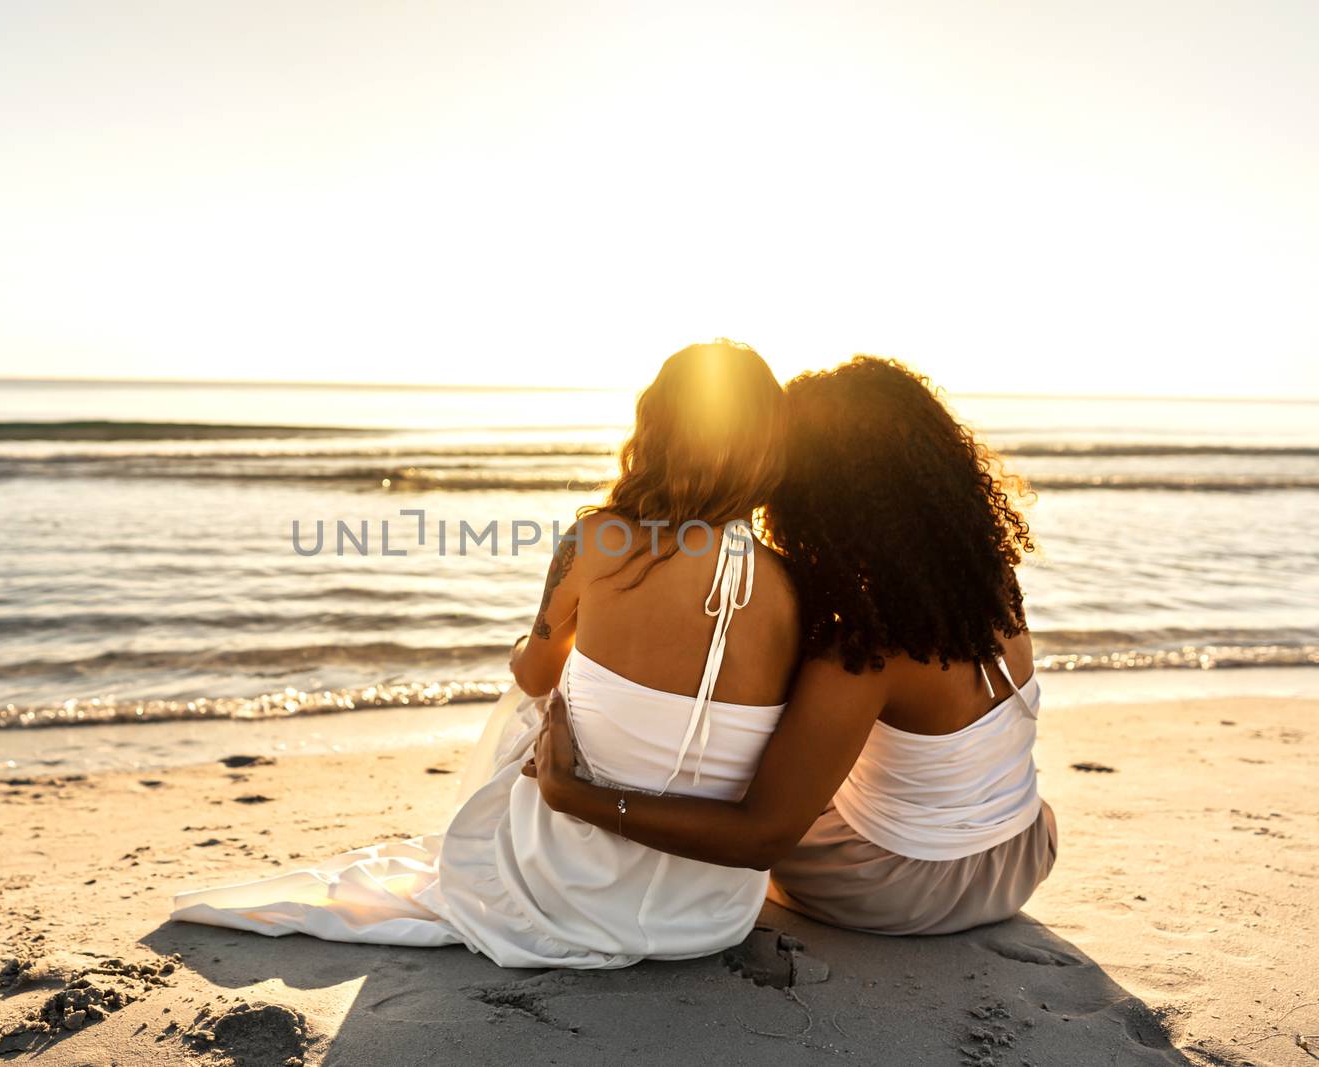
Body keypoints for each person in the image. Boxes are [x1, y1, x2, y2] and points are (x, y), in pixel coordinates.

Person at [173, 340, 801, 966]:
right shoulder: (792, 585)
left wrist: (523, 649)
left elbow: (534, 677)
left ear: (656, 428)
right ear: (769, 449)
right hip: (709, 911)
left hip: (565, 893)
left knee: (536, 695)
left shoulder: (599, 539)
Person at [527, 356, 1055, 936]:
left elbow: (761, 839)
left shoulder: (864, 649)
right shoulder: (990, 584)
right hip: (1022, 852)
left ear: (811, 490)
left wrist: (570, 793)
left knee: (744, 802)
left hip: (900, 890)